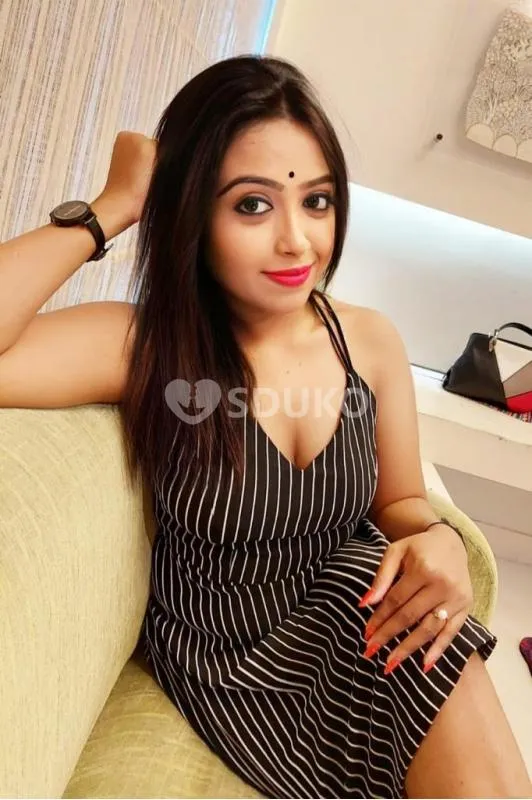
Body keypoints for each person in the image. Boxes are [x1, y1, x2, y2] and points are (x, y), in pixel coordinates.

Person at [0, 54, 530, 799]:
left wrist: (437, 534)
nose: (298, 242)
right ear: (192, 212)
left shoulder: (368, 342)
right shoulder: (146, 346)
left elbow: (401, 501)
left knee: (443, 660)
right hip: (230, 662)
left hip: (360, 619)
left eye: (317, 201)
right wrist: (113, 206)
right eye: (253, 205)